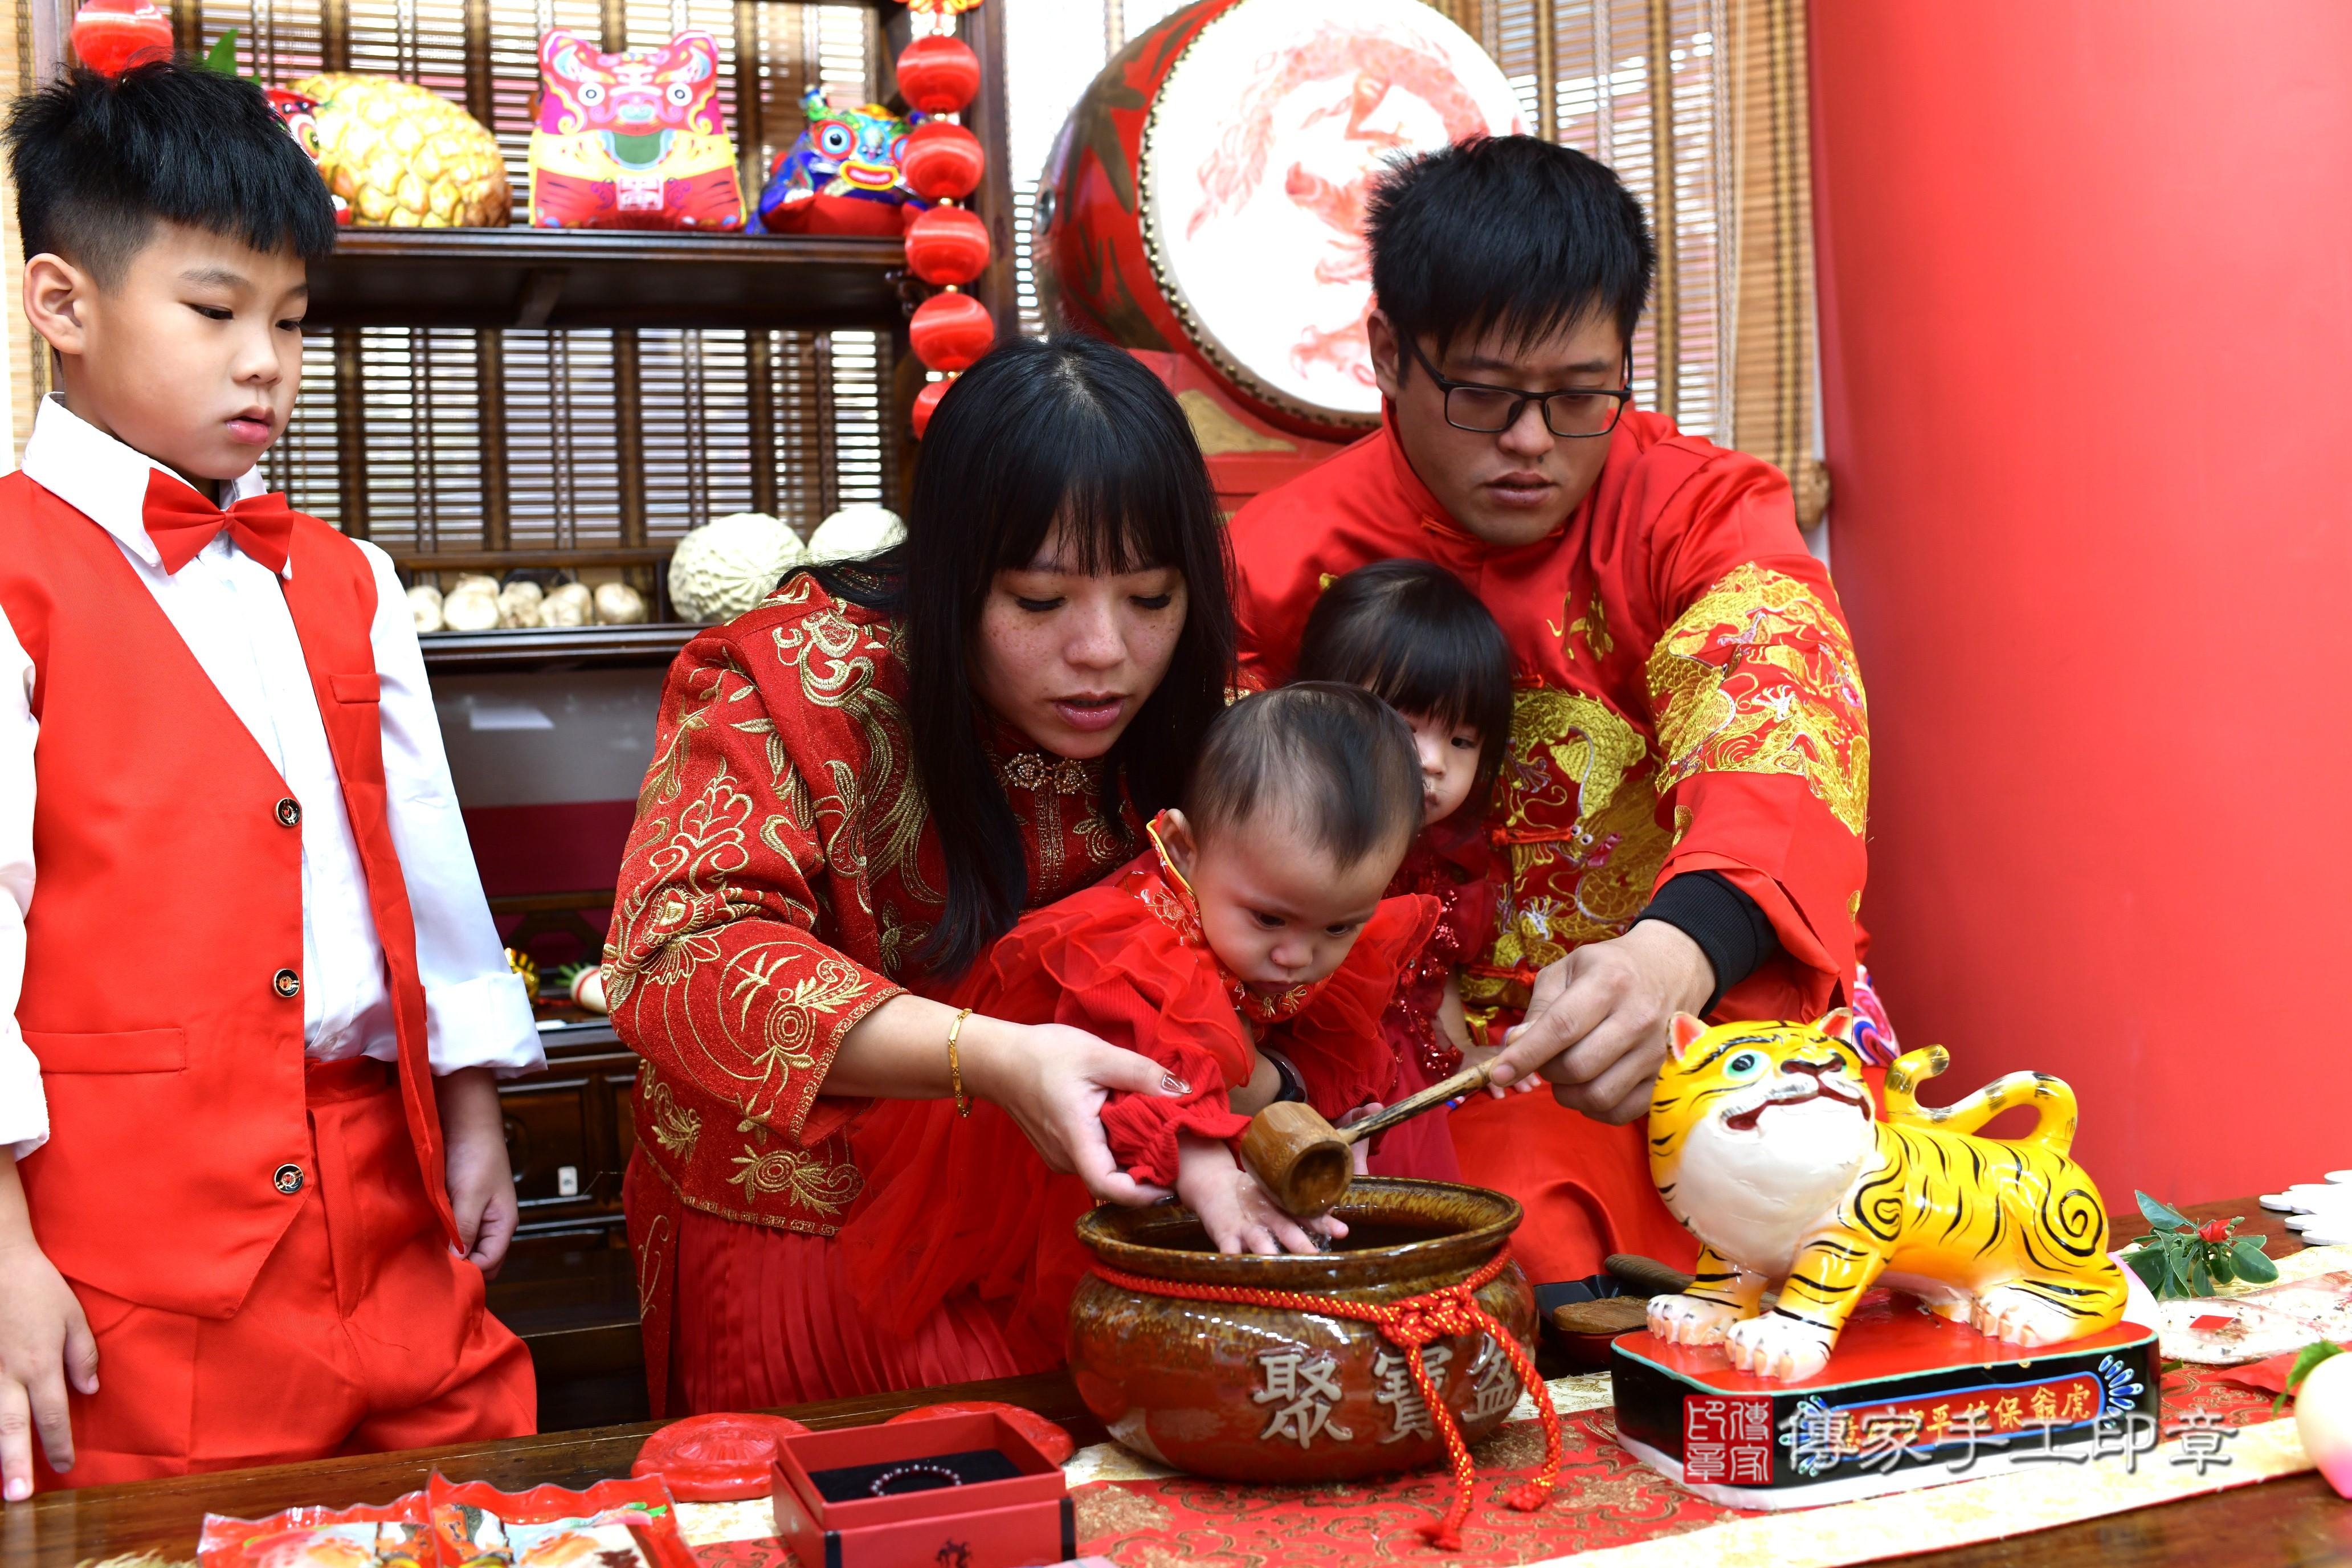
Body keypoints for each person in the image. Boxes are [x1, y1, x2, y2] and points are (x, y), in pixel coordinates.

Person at [0, 63, 540, 1497]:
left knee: (484, 1505)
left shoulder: (345, 575)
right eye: (215, 311)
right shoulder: (12, 576)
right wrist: (3, 1258)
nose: (266, 363)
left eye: (293, 323)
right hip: (133, 1263)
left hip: (388, 1204)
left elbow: (422, 857)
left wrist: (472, 1106)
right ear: (64, 306)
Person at [1228, 135, 1875, 1306]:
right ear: (1385, 352)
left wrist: (1682, 946)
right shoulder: (1270, 571)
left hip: (1683, 1031)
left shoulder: (1695, 510)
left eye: (1579, 396)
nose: (1530, 442)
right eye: (1484, 394)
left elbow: (1780, 713)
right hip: (1386, 1089)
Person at [605, 335, 1236, 1416]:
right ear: (947, 575)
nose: (1104, 650)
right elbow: (678, 957)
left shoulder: (1204, 697)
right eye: (1039, 603)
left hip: (1086, 1225)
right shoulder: (794, 682)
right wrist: (986, 1057)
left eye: (1151, 598)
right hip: (815, 1250)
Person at [839, 683, 1436, 1362]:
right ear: (1182, 848)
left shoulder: (1286, 917)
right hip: (1060, 1124)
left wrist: (1342, 1124)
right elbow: (1148, 1071)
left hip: (1210, 1102)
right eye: (1268, 919)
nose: (1297, 956)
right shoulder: (1129, 944)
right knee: (1079, 1299)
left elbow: (1332, 1045)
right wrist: (1212, 1175)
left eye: (1340, 926)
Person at [1291, 561, 1536, 1184]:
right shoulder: (1298, 838)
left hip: (1412, 1078)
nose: (1431, 763)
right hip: (1321, 1069)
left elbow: (1432, 973)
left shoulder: (1438, 854)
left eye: (1461, 741)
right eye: (1405, 726)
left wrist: (1459, 1056)